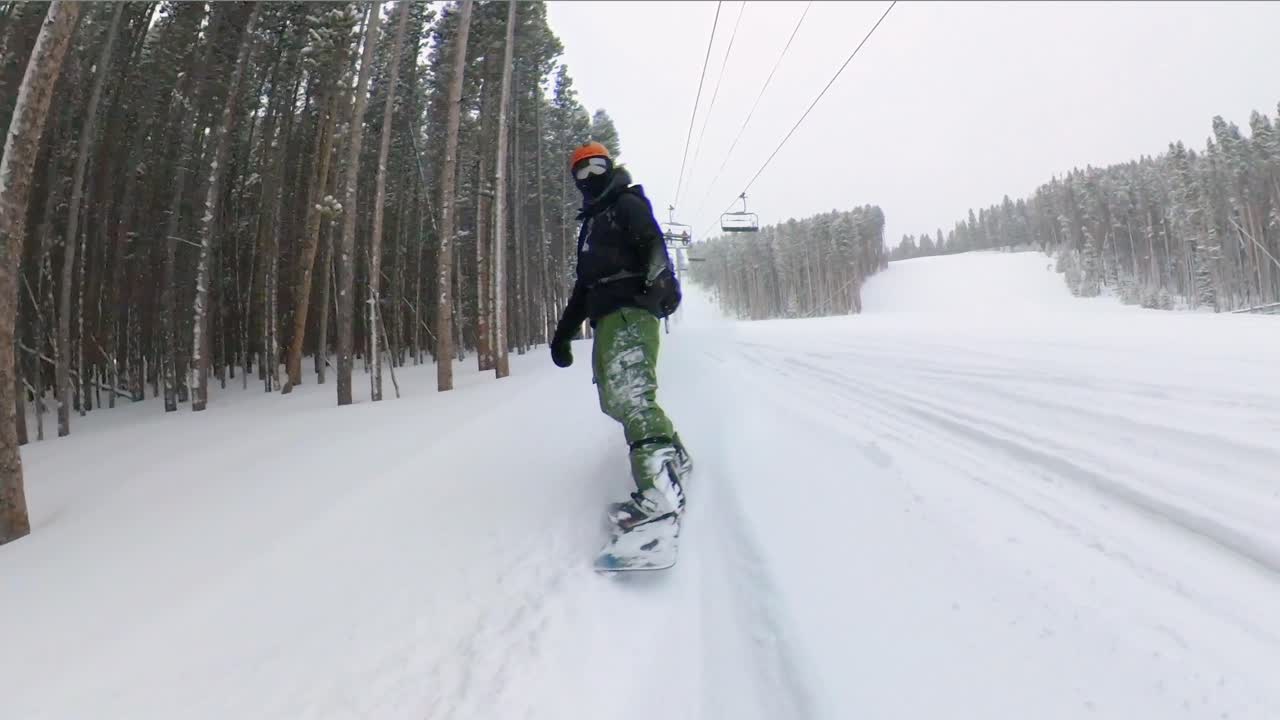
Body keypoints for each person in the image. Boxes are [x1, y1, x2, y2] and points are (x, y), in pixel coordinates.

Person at [549, 141, 692, 531]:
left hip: (631, 309)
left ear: (609, 167)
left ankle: (659, 493)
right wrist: (563, 334)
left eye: (596, 167)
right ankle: (672, 456)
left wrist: (662, 278)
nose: (589, 176)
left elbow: (651, 239)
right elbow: (584, 288)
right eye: (581, 171)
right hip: (607, 318)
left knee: (631, 396)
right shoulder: (591, 225)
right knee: (615, 400)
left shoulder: (625, 203)